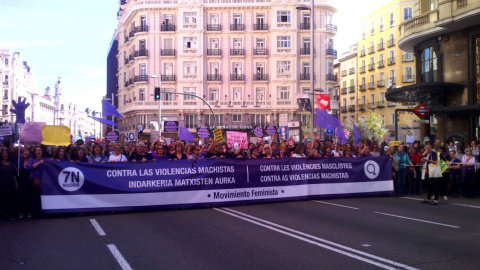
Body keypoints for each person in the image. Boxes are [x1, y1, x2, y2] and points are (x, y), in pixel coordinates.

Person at [28, 146, 50, 217]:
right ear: (35, 152)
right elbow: (30, 167)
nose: (38, 151)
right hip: (35, 181)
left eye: (40, 150)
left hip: (44, 181)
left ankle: (44, 212)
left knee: (44, 197)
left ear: (42, 151)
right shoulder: (32, 159)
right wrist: (39, 162)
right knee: (35, 197)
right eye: (37, 150)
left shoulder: (46, 159)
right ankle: (36, 213)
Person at [1, 149, 18, 221]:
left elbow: (14, 175)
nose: (5, 155)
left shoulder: (11, 164)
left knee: (10, 200)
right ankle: (2, 216)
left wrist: (16, 183)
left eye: (6, 153)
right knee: (2, 200)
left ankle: (10, 215)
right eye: (4, 153)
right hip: (1, 185)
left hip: (10, 184)